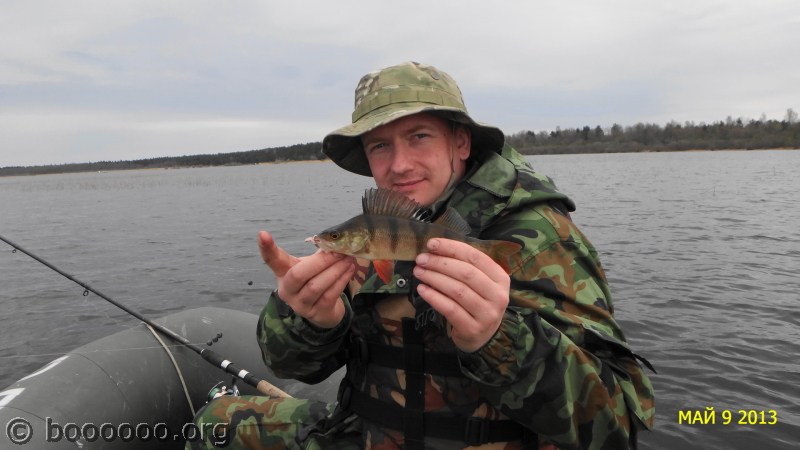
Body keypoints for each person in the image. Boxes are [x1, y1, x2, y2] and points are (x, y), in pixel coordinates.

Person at [190, 61, 655, 450]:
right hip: (366, 434)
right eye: (380, 146)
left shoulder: (540, 240)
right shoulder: (371, 236)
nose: (399, 164)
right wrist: (312, 321)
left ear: (461, 143)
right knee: (214, 425)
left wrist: (501, 341)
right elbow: (295, 368)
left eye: (419, 136)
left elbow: (618, 425)